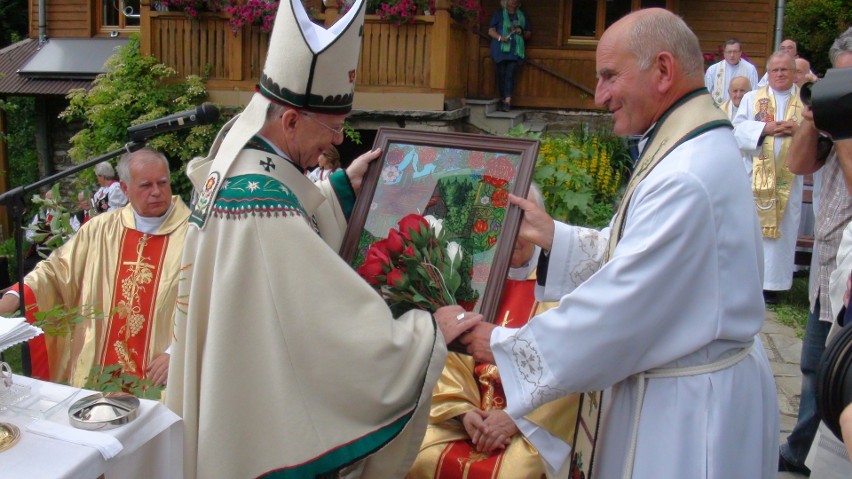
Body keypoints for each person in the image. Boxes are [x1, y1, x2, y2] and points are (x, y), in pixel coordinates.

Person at [165, 2, 481, 478]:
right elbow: (328, 326)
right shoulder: (259, 205)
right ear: (290, 121)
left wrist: (338, 190)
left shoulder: (243, 165)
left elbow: (290, 242)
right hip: (260, 412)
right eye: (332, 127)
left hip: (238, 386)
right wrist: (426, 331)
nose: (335, 142)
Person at [458, 9, 778, 478]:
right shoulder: (685, 145)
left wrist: (495, 343)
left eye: (609, 76)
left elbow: (617, 314)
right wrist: (554, 238)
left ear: (663, 71)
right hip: (690, 387)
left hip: (687, 416)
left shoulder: (686, 174)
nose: (599, 95)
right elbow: (639, 251)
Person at [408, 185, 579, 479]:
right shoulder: (473, 281)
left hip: (532, 424)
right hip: (471, 415)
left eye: (520, 225)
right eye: (500, 226)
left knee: (515, 473)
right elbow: (451, 353)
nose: (511, 237)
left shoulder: (565, 286)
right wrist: (464, 412)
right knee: (421, 457)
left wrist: (516, 419)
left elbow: (574, 363)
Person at [0, 148, 188, 388]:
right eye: (146, 185)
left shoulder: (194, 234)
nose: (157, 192)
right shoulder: (101, 229)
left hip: (159, 370)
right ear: (124, 189)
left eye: (162, 183)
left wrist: (177, 352)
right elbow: (57, 269)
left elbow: (211, 303)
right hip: (100, 365)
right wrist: (16, 296)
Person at [784, 27, 852, 476]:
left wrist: (845, 126)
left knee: (838, 369)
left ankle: (809, 452)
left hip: (850, 268)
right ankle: (807, 447)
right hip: (829, 258)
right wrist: (814, 116)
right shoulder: (835, 119)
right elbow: (797, 164)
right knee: (813, 364)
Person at [733, 51, 804, 302]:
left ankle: (774, 286)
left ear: (795, 73)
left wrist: (799, 130)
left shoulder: (805, 100)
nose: (780, 74)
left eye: (785, 69)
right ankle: (752, 281)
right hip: (757, 177)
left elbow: (818, 132)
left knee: (784, 228)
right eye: (775, 70)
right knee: (754, 229)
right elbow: (738, 131)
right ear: (768, 72)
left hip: (789, 178)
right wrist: (766, 128)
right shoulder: (753, 99)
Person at [488, 0, 531, 112]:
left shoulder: (522, 15)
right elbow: (491, 31)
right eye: (511, 0)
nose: (514, 1)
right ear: (505, 1)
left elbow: (528, 33)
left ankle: (507, 101)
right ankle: (503, 99)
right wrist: (500, 38)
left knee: (510, 75)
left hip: (515, 51)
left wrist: (521, 31)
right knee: (501, 75)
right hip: (500, 50)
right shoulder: (499, 13)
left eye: (516, 0)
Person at [704, 38, 760, 105]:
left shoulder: (750, 69)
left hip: (741, 110)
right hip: (719, 110)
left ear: (740, 52)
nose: (732, 55)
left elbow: (754, 93)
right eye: (729, 52)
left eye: (735, 52)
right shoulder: (713, 70)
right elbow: (706, 93)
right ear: (724, 53)